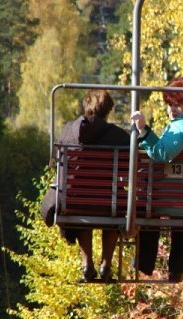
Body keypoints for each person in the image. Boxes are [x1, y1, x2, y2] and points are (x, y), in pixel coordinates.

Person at [41, 89, 130, 282]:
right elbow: (128, 170)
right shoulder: (120, 137)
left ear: (86, 105)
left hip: (73, 203)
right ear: (108, 109)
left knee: (82, 203)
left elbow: (55, 163)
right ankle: (106, 264)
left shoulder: (67, 131)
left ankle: (86, 263)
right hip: (109, 204)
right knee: (117, 204)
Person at [131, 76, 183, 282]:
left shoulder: (181, 128)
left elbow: (161, 153)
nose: (172, 110)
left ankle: (145, 262)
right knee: (181, 208)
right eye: (170, 105)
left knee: (146, 205)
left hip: (168, 201)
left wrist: (143, 129)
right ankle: (177, 266)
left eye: (177, 105)